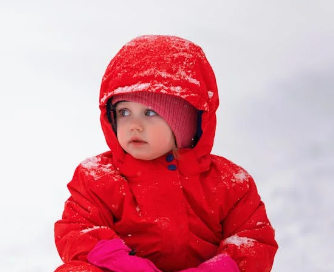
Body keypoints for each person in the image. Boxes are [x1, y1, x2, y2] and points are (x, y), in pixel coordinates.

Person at [54, 35, 278, 272]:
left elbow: (254, 239)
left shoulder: (229, 183)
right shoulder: (96, 178)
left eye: (150, 113)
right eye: (124, 112)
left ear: (186, 122)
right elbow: (77, 230)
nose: (134, 125)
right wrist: (124, 263)